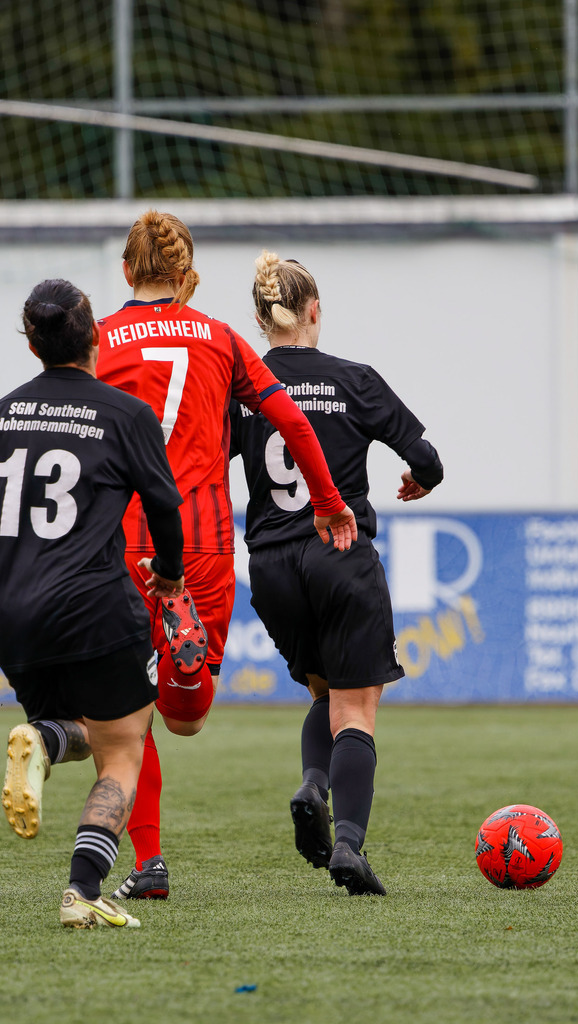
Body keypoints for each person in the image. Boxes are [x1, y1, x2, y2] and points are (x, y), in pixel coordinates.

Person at [0, 279, 188, 929]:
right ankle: (82, 890)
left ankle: (43, 739)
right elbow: (166, 505)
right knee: (124, 748)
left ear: (31, 343)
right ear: (95, 337)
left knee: (80, 734)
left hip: (6, 612)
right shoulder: (124, 414)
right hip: (92, 604)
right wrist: (168, 576)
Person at [95, 210, 357, 900]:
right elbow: (292, 421)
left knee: (125, 717)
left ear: (126, 272)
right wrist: (328, 500)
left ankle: (148, 864)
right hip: (201, 543)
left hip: (124, 542)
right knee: (186, 718)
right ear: (187, 277)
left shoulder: (99, 340)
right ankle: (183, 663)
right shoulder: (220, 339)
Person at [229, 251, 444, 895]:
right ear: (314, 311)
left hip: (270, 566)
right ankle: (348, 844)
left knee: (324, 693)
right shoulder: (355, 380)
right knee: (357, 707)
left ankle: (311, 785)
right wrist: (419, 480)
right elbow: (427, 458)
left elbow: (198, 467)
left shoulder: (240, 389)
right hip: (339, 549)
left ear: (261, 321)